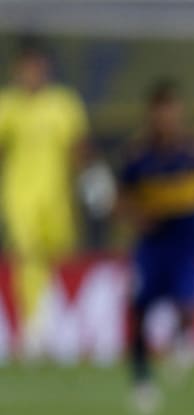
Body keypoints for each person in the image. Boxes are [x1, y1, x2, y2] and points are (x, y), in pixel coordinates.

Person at [116, 79, 194, 415]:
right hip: (152, 248)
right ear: (152, 115)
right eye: (160, 113)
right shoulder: (138, 156)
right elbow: (120, 200)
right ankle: (142, 382)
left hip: (186, 246)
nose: (166, 119)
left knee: (187, 306)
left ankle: (182, 339)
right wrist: (134, 216)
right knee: (139, 313)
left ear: (179, 113)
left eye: (171, 111)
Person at [0, 36, 92, 360]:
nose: (31, 74)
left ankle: (53, 322)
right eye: (26, 68)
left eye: (37, 67)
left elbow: (79, 148)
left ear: (47, 69)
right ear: (17, 70)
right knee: (27, 255)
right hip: (18, 196)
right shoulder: (8, 105)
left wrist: (93, 185)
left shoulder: (63, 104)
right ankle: (33, 329)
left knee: (59, 254)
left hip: (57, 197)